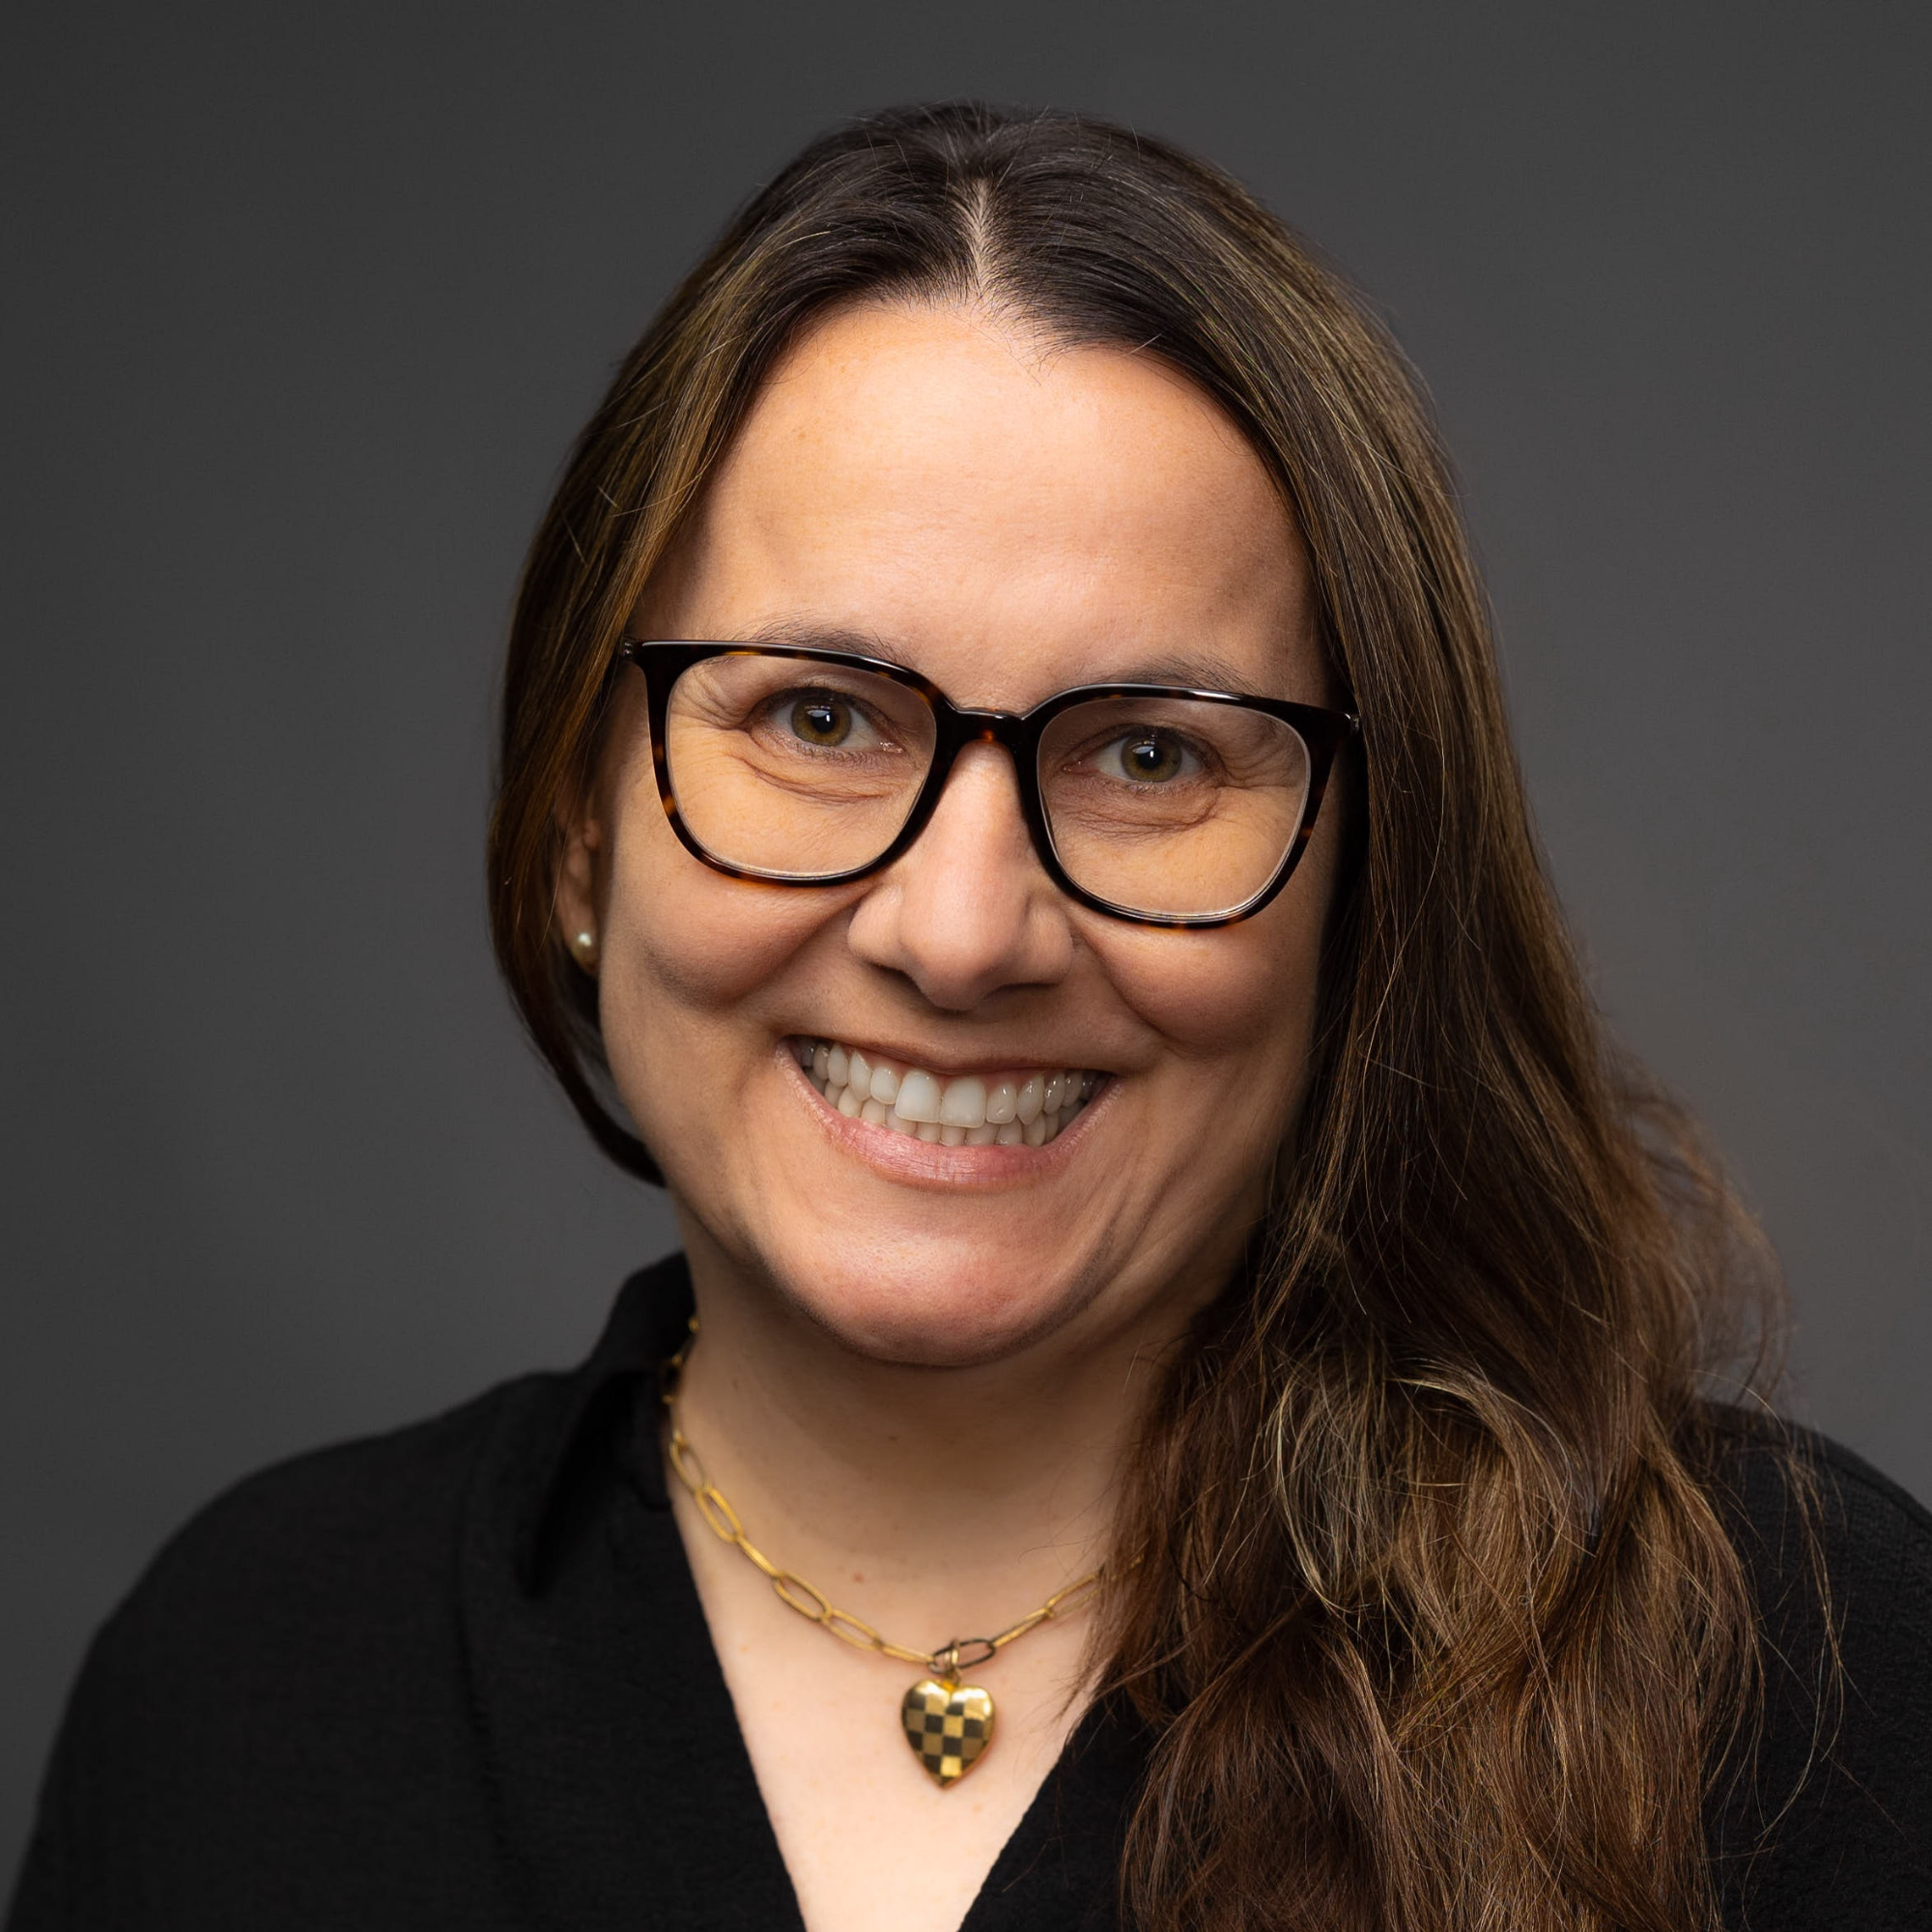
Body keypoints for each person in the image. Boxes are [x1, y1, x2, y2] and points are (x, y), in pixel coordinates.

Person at [10, 101, 1929, 1932]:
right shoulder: (249, 1688)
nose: (961, 930)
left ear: (1363, 884)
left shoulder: (1782, 1671)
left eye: (1151, 752)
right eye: (819, 719)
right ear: (577, 830)